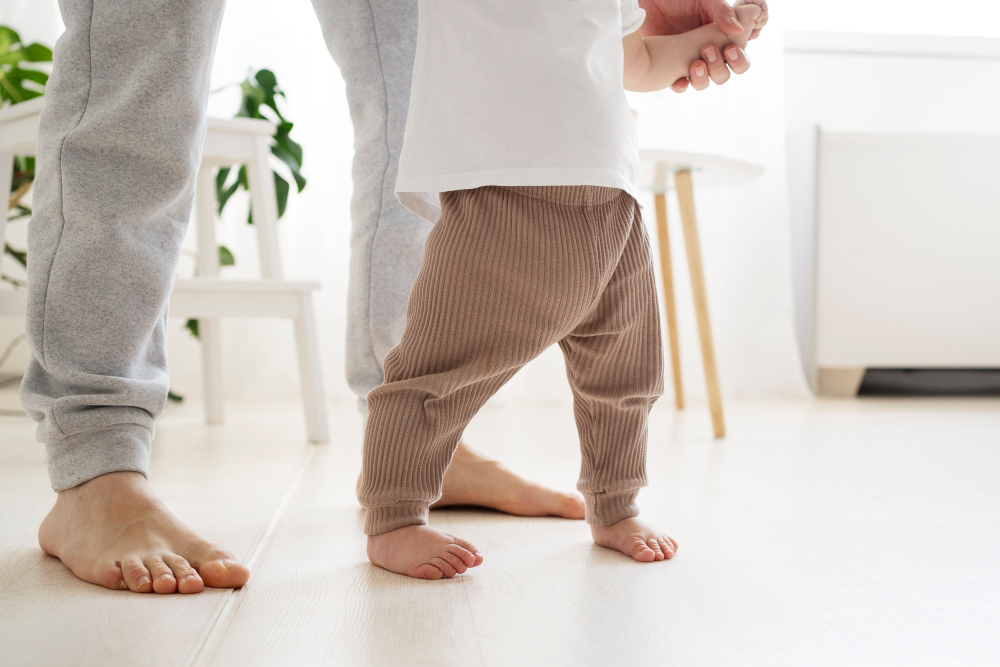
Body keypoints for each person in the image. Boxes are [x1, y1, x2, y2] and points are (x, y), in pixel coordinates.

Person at [23, 0, 767, 594]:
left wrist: (703, 34)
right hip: (507, 200)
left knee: (627, 376)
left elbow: (632, 57)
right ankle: (111, 459)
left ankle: (599, 496)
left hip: (612, 215)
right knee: (146, 51)